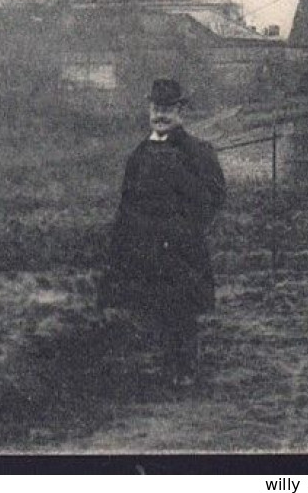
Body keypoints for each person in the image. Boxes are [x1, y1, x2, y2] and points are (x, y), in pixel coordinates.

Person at [99, 79, 226, 388]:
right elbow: (127, 202)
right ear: (149, 110)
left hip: (182, 247)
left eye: (168, 109)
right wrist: (122, 244)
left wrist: (188, 226)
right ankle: (163, 367)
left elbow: (215, 195)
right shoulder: (138, 155)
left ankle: (185, 369)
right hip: (145, 245)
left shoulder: (197, 151)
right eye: (157, 108)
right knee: (152, 305)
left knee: (181, 308)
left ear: (181, 111)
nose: (161, 115)